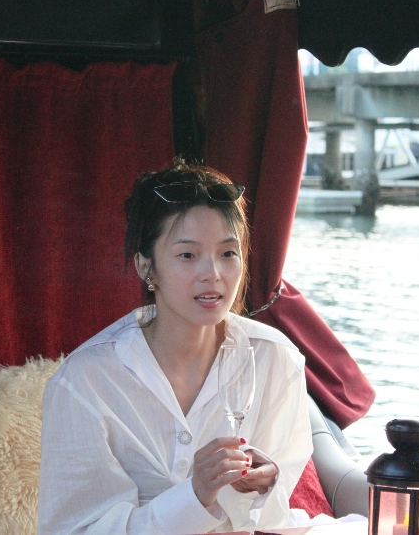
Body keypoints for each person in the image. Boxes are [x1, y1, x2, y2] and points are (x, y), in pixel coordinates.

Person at [37, 161, 312, 534]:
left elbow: (275, 518)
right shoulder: (86, 382)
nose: (213, 274)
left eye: (228, 253)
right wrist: (193, 496)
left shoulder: (274, 359)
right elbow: (75, 531)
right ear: (145, 266)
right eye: (187, 255)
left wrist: (264, 485)